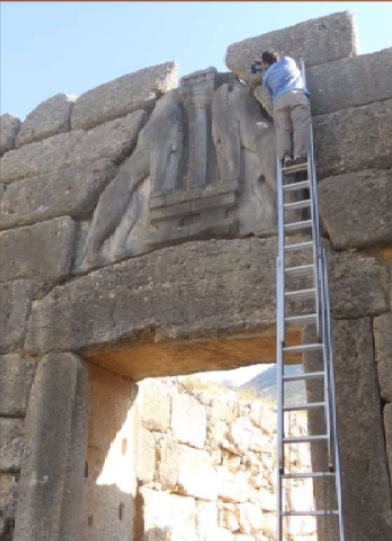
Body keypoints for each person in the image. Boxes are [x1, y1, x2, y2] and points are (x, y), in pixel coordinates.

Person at [252, 51, 311, 168]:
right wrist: (265, 63)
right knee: (300, 125)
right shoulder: (288, 61)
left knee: (282, 130)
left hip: (279, 101)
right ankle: (299, 155)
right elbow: (278, 62)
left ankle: (286, 157)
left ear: (264, 63)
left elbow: (270, 94)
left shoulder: (266, 76)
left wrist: (263, 67)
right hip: (296, 94)